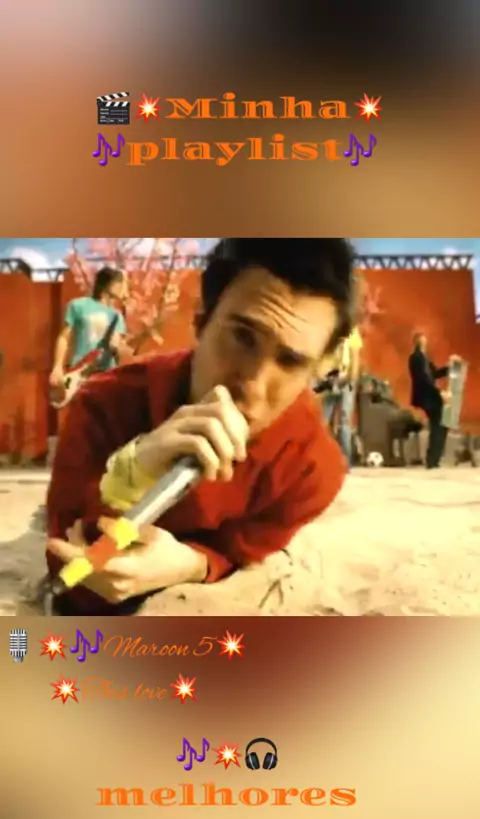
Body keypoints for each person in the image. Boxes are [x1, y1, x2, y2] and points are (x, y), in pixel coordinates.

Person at [46, 238, 357, 616]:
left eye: (291, 361)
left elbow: (239, 550)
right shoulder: (104, 404)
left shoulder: (313, 470)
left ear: (317, 369)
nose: (253, 386)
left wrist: (191, 565)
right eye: (243, 337)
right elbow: (65, 568)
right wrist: (130, 475)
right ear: (201, 318)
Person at [49, 266, 129, 391]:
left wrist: (118, 347)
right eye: (120, 282)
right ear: (108, 284)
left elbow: (119, 349)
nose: (123, 287)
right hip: (79, 373)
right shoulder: (78, 305)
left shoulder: (117, 316)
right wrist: (57, 367)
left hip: (107, 376)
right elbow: (64, 337)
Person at [408, 331, 455, 469]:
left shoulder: (424, 357)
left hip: (430, 395)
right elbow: (424, 378)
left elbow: (434, 374)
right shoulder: (417, 357)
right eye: (422, 340)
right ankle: (432, 460)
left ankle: (433, 459)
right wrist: (439, 392)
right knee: (438, 424)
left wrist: (449, 367)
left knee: (440, 424)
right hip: (427, 396)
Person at [318, 326, 363, 467]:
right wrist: (323, 379)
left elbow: (355, 356)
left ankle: (345, 460)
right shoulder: (331, 328)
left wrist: (351, 379)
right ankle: (321, 459)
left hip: (345, 378)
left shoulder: (352, 332)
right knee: (323, 420)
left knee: (344, 421)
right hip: (331, 378)